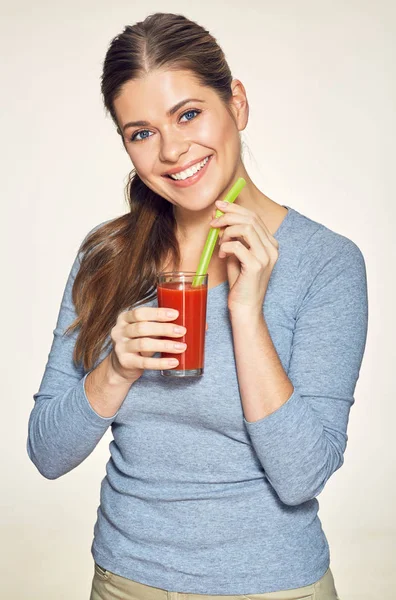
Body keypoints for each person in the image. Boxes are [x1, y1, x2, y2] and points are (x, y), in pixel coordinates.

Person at [27, 12, 368, 600]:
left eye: (188, 114)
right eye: (141, 132)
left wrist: (245, 312)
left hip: (271, 586)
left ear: (235, 103)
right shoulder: (105, 259)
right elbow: (47, 453)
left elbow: (302, 476)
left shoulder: (326, 264)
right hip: (123, 581)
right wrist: (117, 370)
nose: (172, 150)